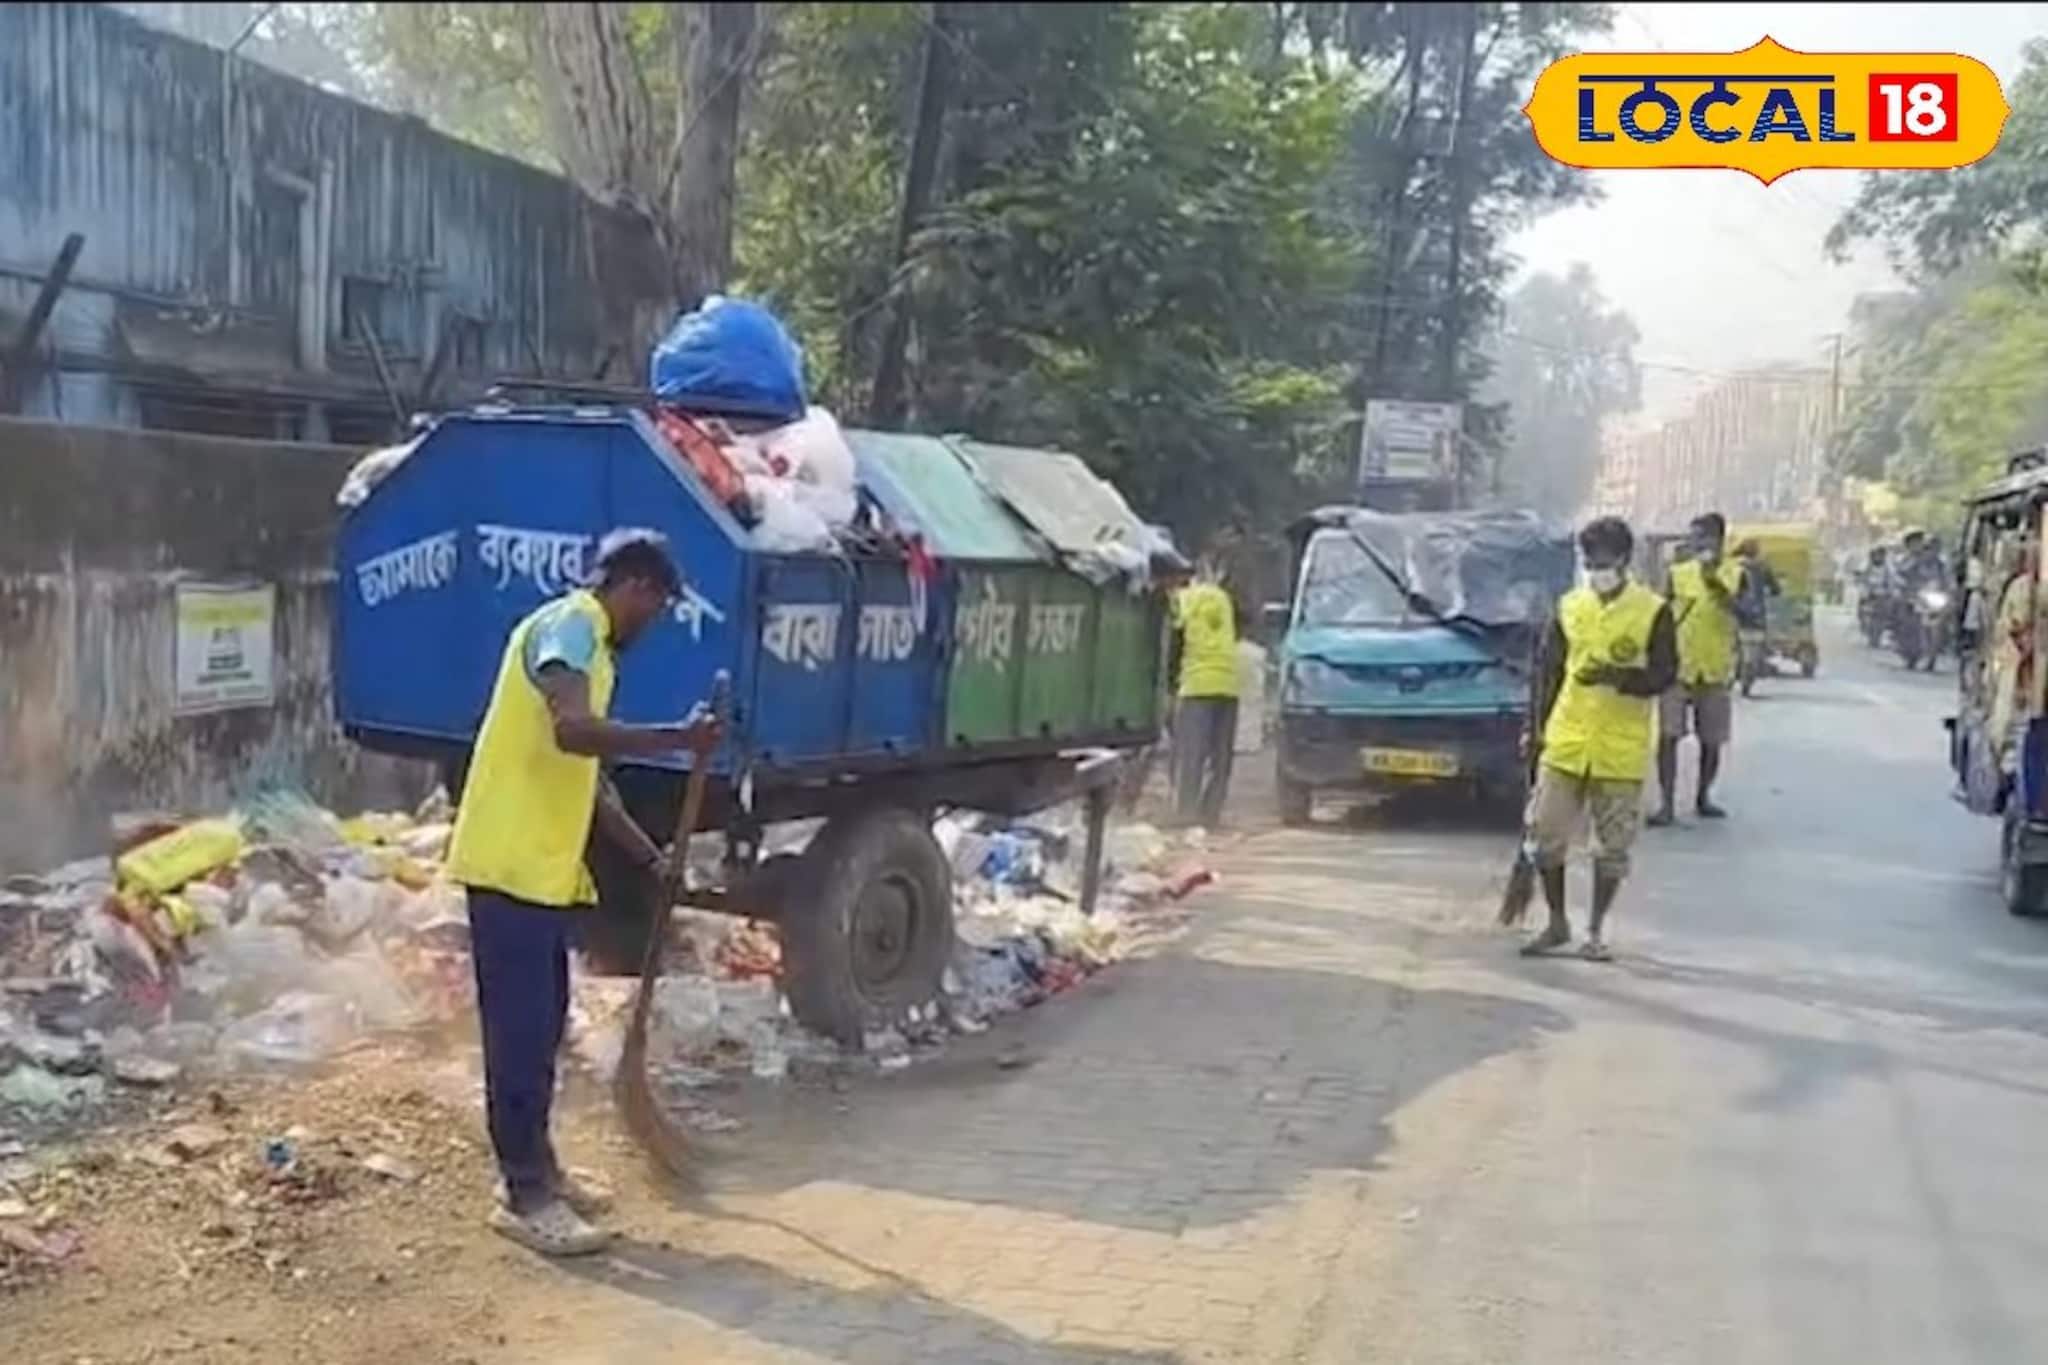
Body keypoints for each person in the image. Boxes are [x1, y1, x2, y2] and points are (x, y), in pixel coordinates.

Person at [445, 528, 721, 1257]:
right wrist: (674, 738)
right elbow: (572, 732)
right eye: (658, 606)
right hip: (508, 867)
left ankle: (541, 1171)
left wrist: (650, 858)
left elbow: (590, 784)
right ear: (636, 587)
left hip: (541, 875)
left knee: (543, 1029)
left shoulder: (593, 651)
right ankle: (523, 1195)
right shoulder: (570, 625)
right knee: (519, 1035)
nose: (655, 621)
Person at [1520, 516, 1676, 960]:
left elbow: (1664, 674)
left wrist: (1617, 677)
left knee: (1611, 849)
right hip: (1566, 741)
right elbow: (1548, 674)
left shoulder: (1653, 611)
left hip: (1620, 748)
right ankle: (1556, 923)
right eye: (1588, 560)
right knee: (1544, 837)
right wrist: (1534, 728)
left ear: (1624, 559)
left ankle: (1595, 930)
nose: (1595, 568)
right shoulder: (1569, 606)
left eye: (1602, 560)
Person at [1650, 511, 1743, 825]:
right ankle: (1666, 804)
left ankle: (1703, 796)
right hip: (1678, 666)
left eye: (1702, 537)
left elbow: (1745, 611)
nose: (1697, 543)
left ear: (1719, 540)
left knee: (1711, 740)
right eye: (1693, 538)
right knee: (1668, 736)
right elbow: (1661, 614)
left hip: (1715, 668)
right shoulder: (1677, 573)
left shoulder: (1736, 574)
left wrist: (1715, 582)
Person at [1169, 558, 1241, 828]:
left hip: (1196, 685)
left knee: (1192, 755)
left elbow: (1174, 642)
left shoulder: (1184, 600)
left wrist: (1169, 684)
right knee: (1220, 759)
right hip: (1228, 684)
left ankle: (1186, 813)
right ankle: (1211, 815)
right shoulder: (1224, 599)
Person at [1731, 537, 1779, 697]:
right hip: (1757, 616)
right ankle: (1750, 672)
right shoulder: (1763, 567)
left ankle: (1735, 671)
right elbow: (1776, 589)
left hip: (1735, 613)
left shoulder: (1733, 567)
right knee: (1756, 647)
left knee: (1733, 645)